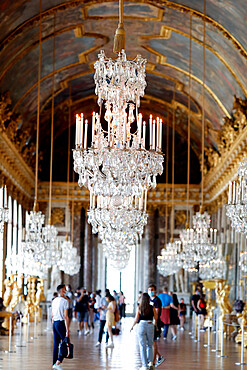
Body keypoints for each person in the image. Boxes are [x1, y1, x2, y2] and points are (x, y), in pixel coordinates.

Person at [131, 292, 158, 370]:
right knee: (150, 345)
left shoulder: (140, 307)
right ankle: (150, 363)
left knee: (142, 346)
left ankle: (144, 365)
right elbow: (155, 317)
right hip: (150, 325)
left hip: (141, 325)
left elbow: (136, 319)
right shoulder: (152, 307)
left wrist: (132, 326)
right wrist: (154, 325)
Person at [52, 284, 70, 370]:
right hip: (60, 323)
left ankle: (54, 363)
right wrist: (67, 329)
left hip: (55, 323)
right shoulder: (65, 301)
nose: (66, 291)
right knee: (65, 343)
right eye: (65, 289)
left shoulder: (54, 300)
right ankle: (58, 362)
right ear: (62, 290)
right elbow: (66, 316)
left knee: (56, 343)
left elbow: (52, 315)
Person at [148, 284, 165, 368]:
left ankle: (153, 362)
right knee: (151, 342)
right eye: (149, 290)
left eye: (152, 290)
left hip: (154, 322)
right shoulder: (149, 299)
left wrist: (154, 322)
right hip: (149, 321)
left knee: (153, 342)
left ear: (155, 291)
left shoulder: (157, 300)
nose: (150, 291)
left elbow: (157, 313)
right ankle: (159, 356)